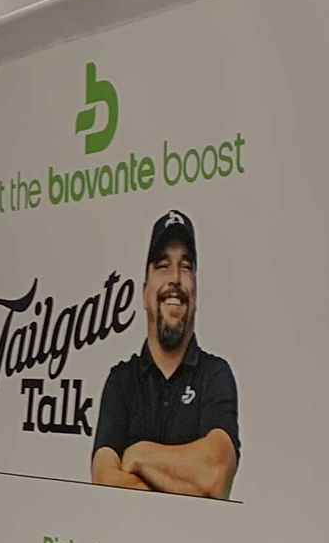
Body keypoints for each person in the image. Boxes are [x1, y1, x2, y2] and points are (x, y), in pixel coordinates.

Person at [90, 211, 239, 499]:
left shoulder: (216, 376)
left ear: (196, 291)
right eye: (162, 265)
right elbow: (105, 482)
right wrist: (185, 477)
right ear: (145, 293)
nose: (175, 278)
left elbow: (214, 477)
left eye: (186, 267)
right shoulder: (121, 381)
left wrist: (138, 454)